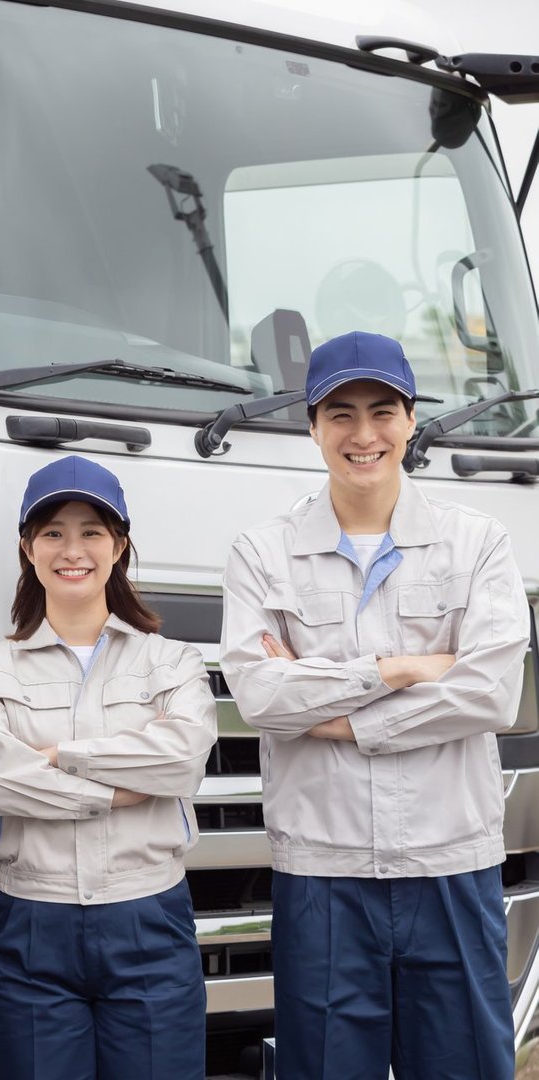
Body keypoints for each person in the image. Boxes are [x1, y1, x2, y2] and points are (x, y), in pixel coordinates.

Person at [221, 331, 526, 1079]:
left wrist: (337, 716)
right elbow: (260, 693)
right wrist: (401, 669)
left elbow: (492, 690)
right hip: (324, 869)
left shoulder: (477, 542)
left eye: (381, 410)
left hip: (449, 860)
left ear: (411, 418)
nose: (363, 435)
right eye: (341, 414)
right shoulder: (263, 552)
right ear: (313, 426)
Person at [0, 455, 215, 1079]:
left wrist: (62, 757)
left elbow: (181, 763)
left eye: (92, 531)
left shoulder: (171, 661)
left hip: (148, 915)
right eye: (53, 533)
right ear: (28, 548)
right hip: (31, 923)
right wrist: (123, 790)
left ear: (119, 546)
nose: (74, 549)